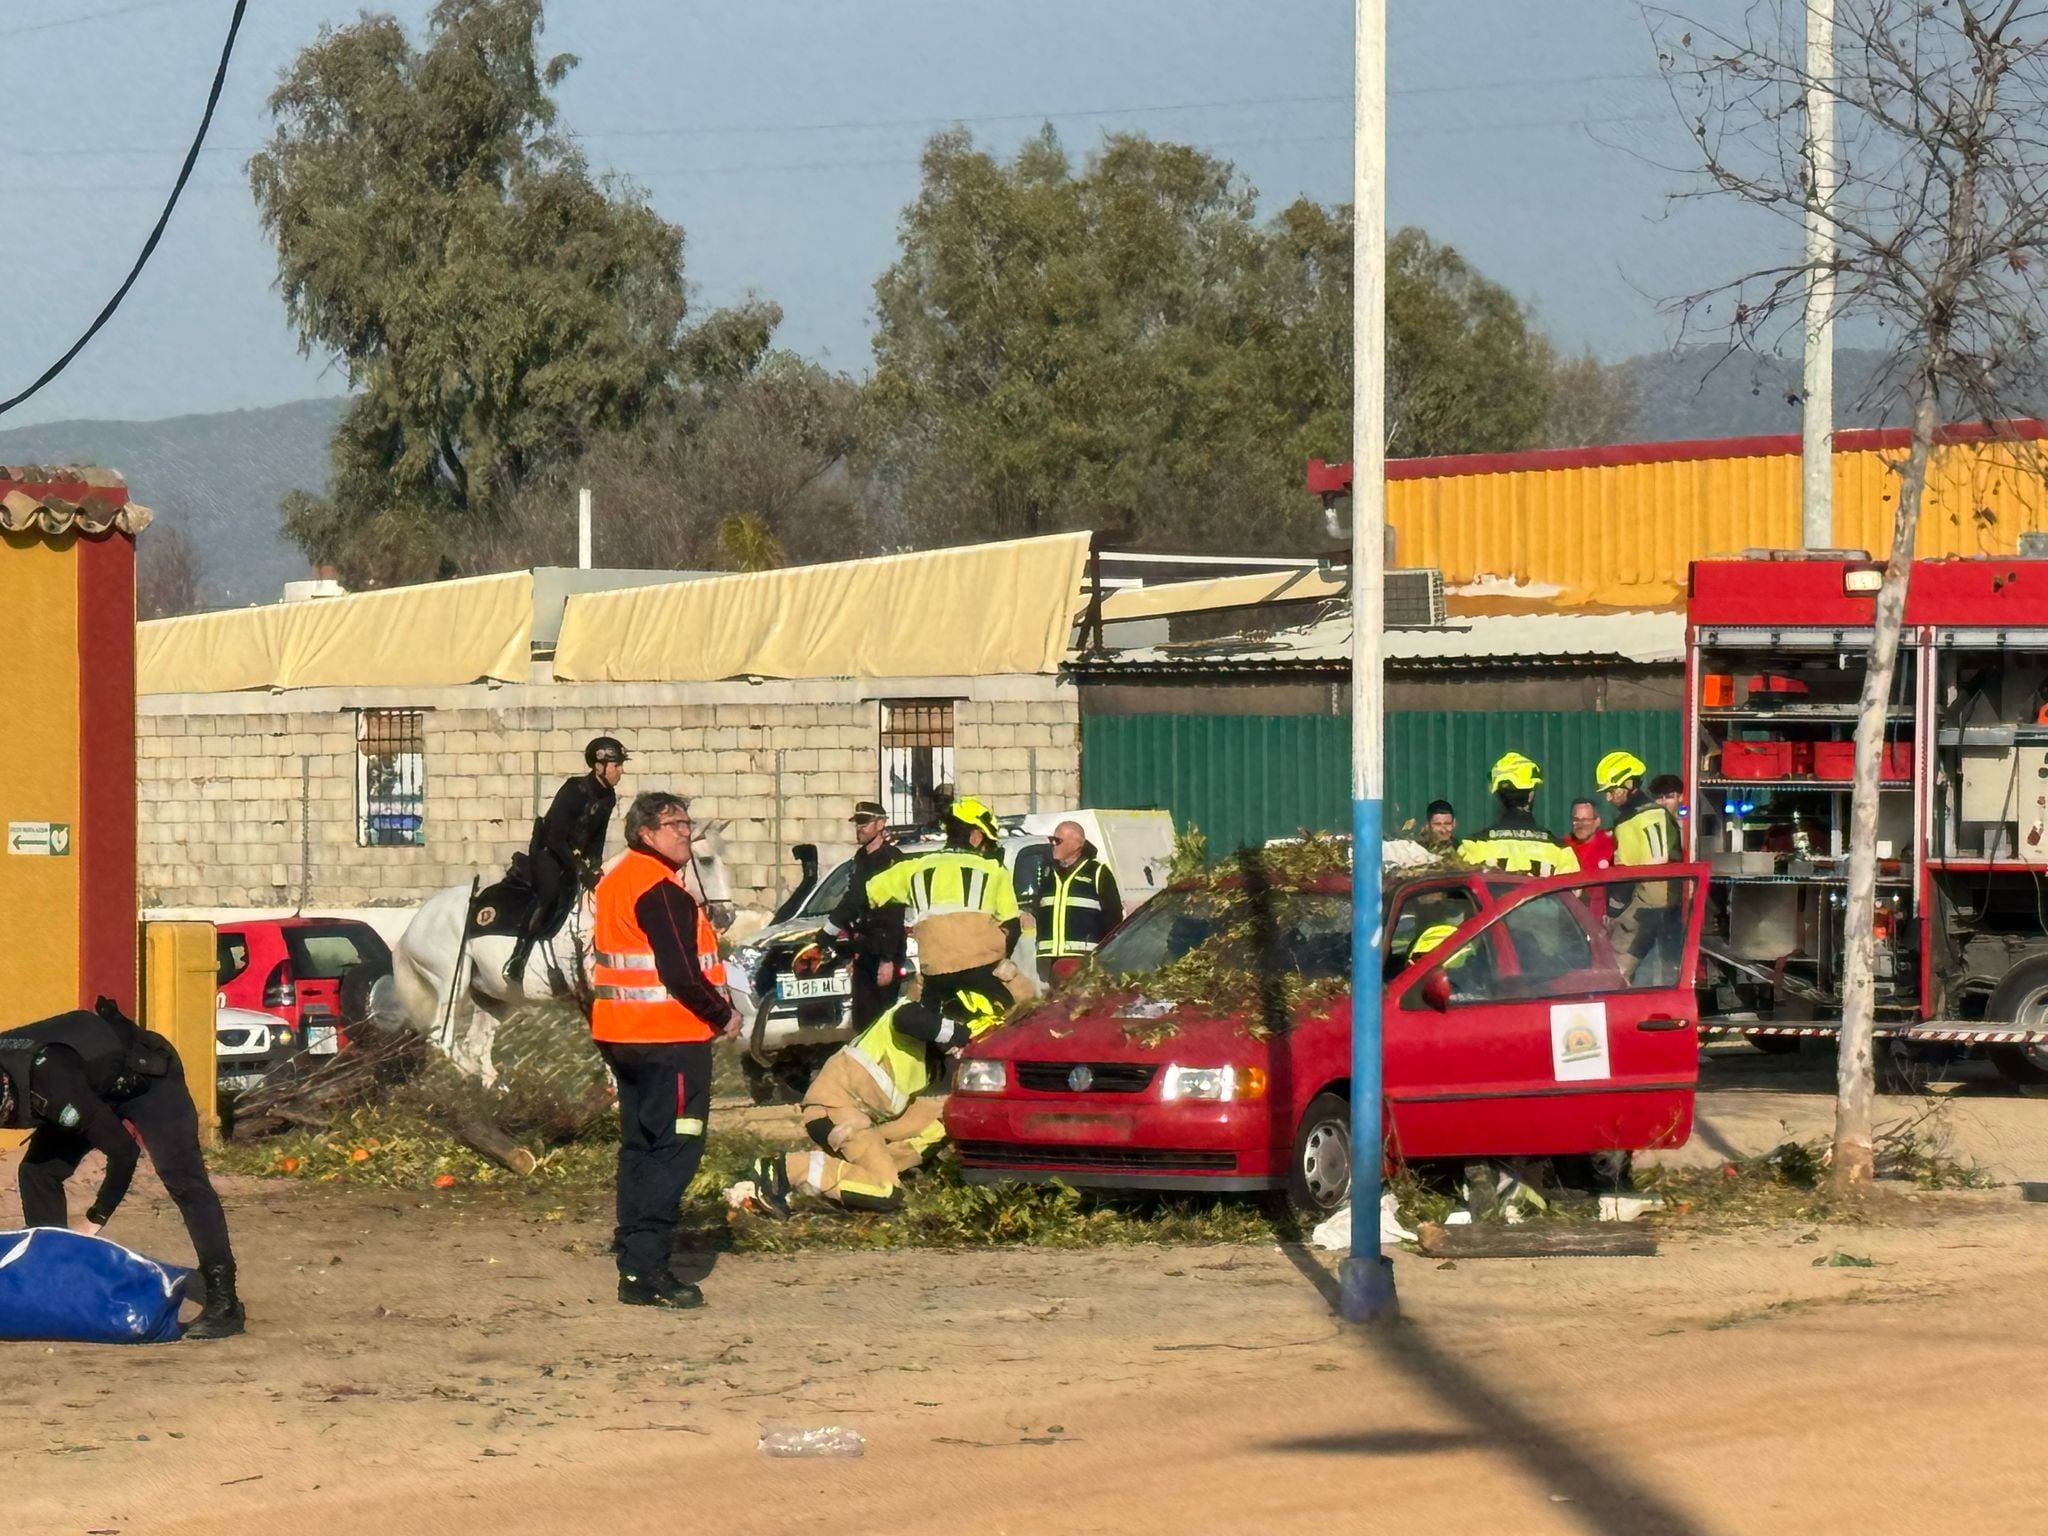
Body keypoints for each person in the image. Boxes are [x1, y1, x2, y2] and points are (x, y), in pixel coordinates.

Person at [0, 998, 244, 1338]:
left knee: (183, 1180)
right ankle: (56, 1284)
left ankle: (225, 1300)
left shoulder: (53, 1086)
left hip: (146, 1078)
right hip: (89, 1081)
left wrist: (95, 1218)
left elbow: (124, 1152)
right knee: (37, 1173)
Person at [589, 791, 738, 1309]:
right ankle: (649, 1268)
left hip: (622, 1036)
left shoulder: (618, 879)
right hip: (667, 1040)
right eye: (673, 824)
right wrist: (725, 1015)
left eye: (686, 823)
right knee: (673, 1151)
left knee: (639, 1149)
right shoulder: (661, 891)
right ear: (644, 834)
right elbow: (680, 975)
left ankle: (634, 1265)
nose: (684, 833)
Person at [746, 988, 1002, 1215]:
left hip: (863, 1121)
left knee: (943, 1119)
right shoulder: (907, 1015)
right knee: (886, 1191)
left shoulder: (926, 1061)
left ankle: (863, 1179)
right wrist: (959, 1033)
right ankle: (781, 1170)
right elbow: (910, 1019)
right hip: (835, 1112)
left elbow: (922, 1115)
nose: (962, 1051)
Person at [807, 794, 1026, 1012]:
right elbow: (1012, 926)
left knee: (925, 1029)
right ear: (977, 836)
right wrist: (1002, 960)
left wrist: (824, 937)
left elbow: (857, 898)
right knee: (1020, 1009)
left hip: (936, 980)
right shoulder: (994, 871)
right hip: (982, 977)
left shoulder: (914, 868)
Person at [506, 735, 628, 987]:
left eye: (620, 765)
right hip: (549, 853)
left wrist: (595, 865)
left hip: (576, 857)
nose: (620, 771)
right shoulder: (574, 790)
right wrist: (580, 869)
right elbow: (556, 837)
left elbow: (598, 837)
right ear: (599, 766)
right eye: (616, 765)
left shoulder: (608, 797)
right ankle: (519, 955)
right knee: (550, 894)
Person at [1596, 751, 1685, 982]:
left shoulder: (1627, 822)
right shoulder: (1662, 814)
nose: (1608, 798)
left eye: (1611, 790)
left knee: (1613, 974)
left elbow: (1625, 876)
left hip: (1642, 907)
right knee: (1667, 976)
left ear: (1629, 784)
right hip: (1672, 907)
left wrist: (1613, 912)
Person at [837, 801, 907, 1027]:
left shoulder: (892, 858)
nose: (859, 828)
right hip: (863, 950)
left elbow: (894, 913)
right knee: (862, 1020)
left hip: (884, 949)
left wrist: (888, 960)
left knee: (883, 1019)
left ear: (880, 824)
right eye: (857, 823)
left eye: (864, 823)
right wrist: (851, 953)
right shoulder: (860, 858)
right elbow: (853, 903)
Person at [1033, 820, 1124, 986]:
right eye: (1052, 840)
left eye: (1058, 841)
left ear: (1077, 844)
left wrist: (1104, 957)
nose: (1053, 845)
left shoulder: (1097, 872)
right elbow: (1039, 911)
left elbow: (1114, 918)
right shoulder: (1048, 873)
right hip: (1052, 962)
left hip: (1084, 962)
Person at [1457, 753, 1579, 876]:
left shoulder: (1472, 846)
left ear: (1499, 796)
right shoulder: (1560, 851)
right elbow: (1573, 892)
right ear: (1530, 796)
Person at [1566, 798, 1617, 872]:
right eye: (1576, 820)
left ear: (1597, 821)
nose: (1580, 825)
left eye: (1585, 820)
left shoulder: (1611, 844)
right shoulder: (1563, 847)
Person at [1649, 774, 1689, 859]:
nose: (1664, 802)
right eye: (1659, 797)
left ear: (1680, 797)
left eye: (1669, 797)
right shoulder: (1650, 825)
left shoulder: (1689, 826)